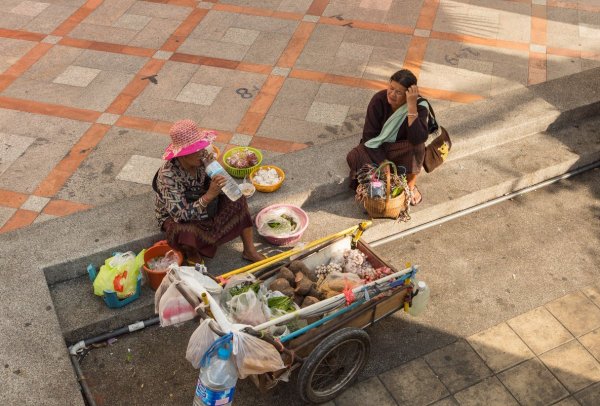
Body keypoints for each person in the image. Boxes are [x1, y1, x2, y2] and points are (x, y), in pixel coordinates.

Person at [154, 119, 265, 264]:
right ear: (183, 155)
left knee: (238, 199)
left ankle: (249, 250)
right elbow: (179, 215)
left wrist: (218, 175)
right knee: (183, 230)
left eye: (201, 148)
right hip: (178, 216)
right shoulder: (168, 175)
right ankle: (193, 256)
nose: (202, 153)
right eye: (196, 151)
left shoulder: (203, 159)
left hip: (204, 203)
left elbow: (224, 185)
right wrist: (209, 195)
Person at [347, 69, 429, 205]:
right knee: (354, 156)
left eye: (399, 92)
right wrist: (382, 161)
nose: (392, 94)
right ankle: (380, 186)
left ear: (409, 95)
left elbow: (417, 138)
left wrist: (411, 108)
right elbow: (369, 138)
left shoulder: (419, 107)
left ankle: (410, 185)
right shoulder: (378, 100)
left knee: (418, 146)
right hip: (377, 148)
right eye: (391, 88)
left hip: (401, 151)